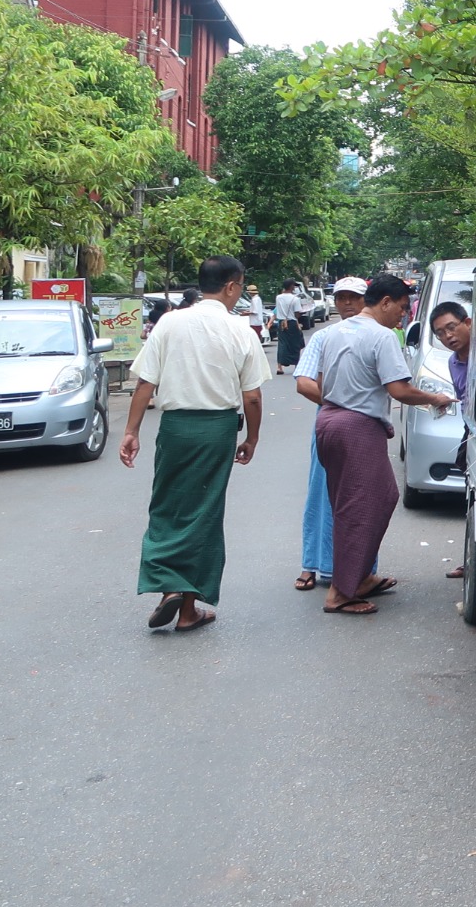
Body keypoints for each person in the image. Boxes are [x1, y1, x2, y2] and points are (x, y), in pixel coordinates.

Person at [119, 254, 269, 632]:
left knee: (168, 505)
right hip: (217, 429)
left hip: (175, 427)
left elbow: (144, 384)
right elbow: (251, 397)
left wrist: (131, 431)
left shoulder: (169, 322)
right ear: (232, 286)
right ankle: (187, 610)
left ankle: (168, 586)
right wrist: (251, 437)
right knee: (203, 511)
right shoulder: (240, 331)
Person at [311, 273, 453, 614]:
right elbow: (399, 390)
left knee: (352, 504)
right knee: (364, 505)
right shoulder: (381, 336)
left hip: (329, 420)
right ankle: (341, 592)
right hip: (356, 426)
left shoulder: (334, 331)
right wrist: (434, 398)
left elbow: (317, 380)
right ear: (385, 302)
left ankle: (356, 577)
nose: (402, 317)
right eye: (401, 309)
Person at [293, 277, 365, 590]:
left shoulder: (379, 335)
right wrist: (340, 400)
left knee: (361, 498)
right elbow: (304, 381)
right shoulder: (323, 338)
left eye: (354, 297)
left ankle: (357, 570)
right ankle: (311, 563)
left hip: (365, 426)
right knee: (320, 492)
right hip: (331, 422)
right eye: (342, 298)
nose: (347, 303)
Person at [429, 301, 475, 580]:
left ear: (467, 323)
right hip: (472, 434)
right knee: (471, 500)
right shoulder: (452, 361)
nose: (448, 337)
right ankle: (470, 558)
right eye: (440, 333)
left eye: (451, 328)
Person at [273, 279, 306, 376]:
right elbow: (297, 314)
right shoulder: (295, 299)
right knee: (295, 344)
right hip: (292, 323)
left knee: (282, 344)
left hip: (281, 323)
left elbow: (278, 310)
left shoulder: (278, 297)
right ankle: (296, 365)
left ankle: (279, 367)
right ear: (291, 286)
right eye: (294, 286)